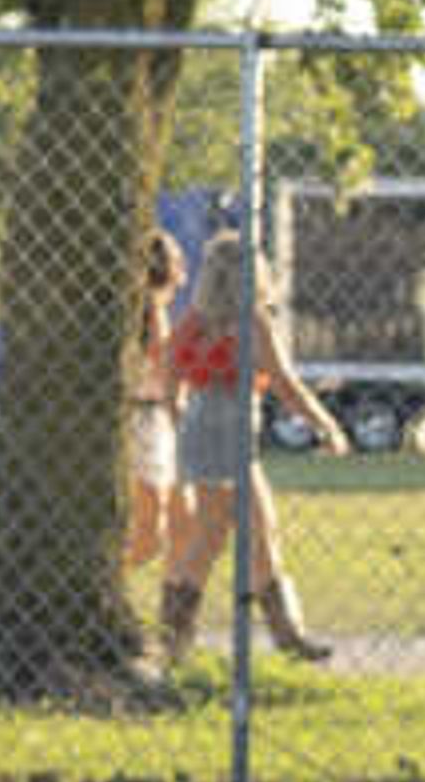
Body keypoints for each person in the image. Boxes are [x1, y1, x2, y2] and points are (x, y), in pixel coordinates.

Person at [157, 224, 344, 668]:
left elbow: (168, 386)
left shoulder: (191, 324)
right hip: (233, 427)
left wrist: (181, 421)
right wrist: (326, 424)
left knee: (225, 533)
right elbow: (284, 383)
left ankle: (176, 637)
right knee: (241, 531)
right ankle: (283, 634)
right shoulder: (253, 324)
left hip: (200, 423)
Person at [123, 223, 186, 593]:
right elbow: (164, 378)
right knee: (152, 534)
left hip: (147, 417)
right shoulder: (154, 315)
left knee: (158, 526)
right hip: (148, 419)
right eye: (178, 265)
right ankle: (103, 582)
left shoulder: (144, 312)